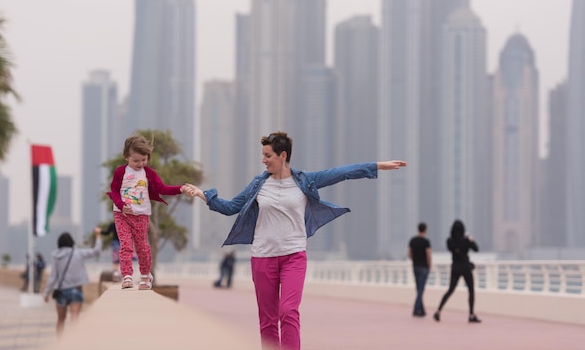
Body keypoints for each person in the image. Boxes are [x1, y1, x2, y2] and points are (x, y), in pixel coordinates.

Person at [182, 131, 407, 350]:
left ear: (283, 156)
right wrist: (203, 194)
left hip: (293, 256)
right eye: (263, 155)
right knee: (268, 320)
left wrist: (377, 166)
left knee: (288, 312)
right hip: (263, 258)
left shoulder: (305, 180)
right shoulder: (258, 184)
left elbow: (341, 172)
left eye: (268, 156)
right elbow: (230, 207)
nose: (264, 160)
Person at [106, 134, 185, 290]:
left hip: (141, 215)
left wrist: (180, 189)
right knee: (126, 244)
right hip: (122, 215)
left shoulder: (149, 174)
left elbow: (162, 188)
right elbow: (114, 191)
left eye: (144, 160)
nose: (140, 163)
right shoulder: (120, 172)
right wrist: (121, 205)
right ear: (126, 157)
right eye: (136, 161)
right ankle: (127, 276)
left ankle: (145, 276)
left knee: (142, 247)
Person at [43, 228, 102, 336]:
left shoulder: (56, 256)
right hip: (76, 289)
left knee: (60, 320)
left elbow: (53, 276)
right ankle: (73, 344)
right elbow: (96, 251)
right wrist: (98, 236)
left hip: (61, 292)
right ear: (71, 242)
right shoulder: (78, 253)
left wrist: (46, 293)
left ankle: (60, 344)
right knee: (74, 319)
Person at [433, 219, 481, 323]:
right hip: (465, 267)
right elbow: (476, 249)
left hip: (455, 267)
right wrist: (470, 240)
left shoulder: (449, 241)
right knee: (471, 291)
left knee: (450, 290)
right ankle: (471, 314)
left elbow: (452, 249)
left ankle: (438, 311)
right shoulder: (466, 240)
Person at [408, 222, 431, 317]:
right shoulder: (426, 242)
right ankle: (416, 309)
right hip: (424, 267)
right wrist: (429, 265)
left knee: (418, 288)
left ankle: (422, 309)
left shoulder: (412, 241)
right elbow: (428, 255)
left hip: (415, 266)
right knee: (421, 289)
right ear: (425, 230)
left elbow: (409, 254)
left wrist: (414, 259)